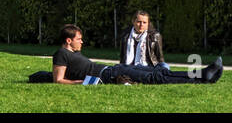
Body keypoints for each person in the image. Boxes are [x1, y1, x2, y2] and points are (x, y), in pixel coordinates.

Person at [52, 24, 221, 85]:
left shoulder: (72, 53)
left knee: (159, 72)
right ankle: (204, 75)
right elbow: (58, 80)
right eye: (79, 39)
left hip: (115, 69)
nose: (81, 42)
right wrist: (79, 82)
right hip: (111, 75)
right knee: (156, 78)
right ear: (68, 40)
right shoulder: (61, 54)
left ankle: (203, 75)